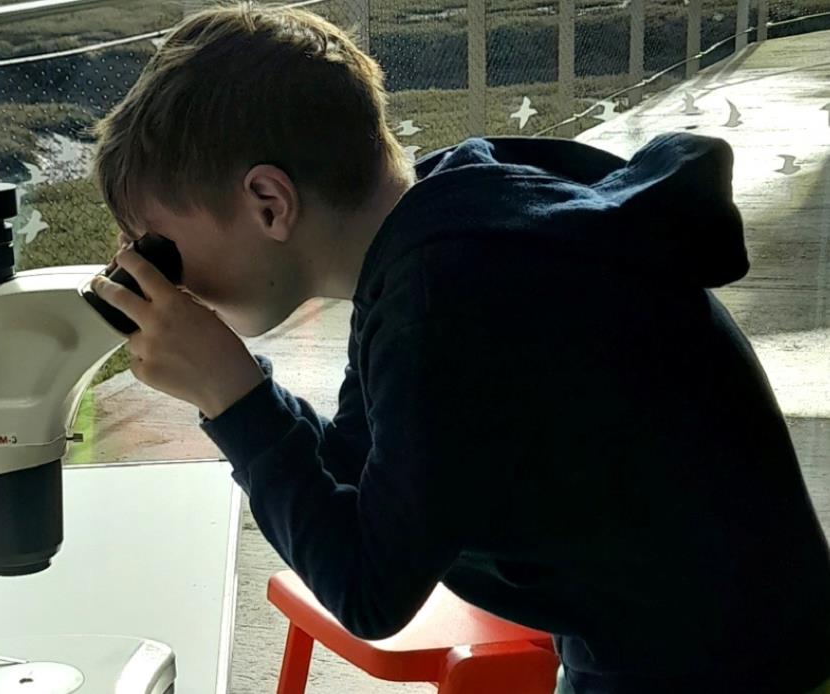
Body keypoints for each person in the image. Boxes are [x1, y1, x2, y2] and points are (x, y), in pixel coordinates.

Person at [86, 5, 830, 693]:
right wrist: (239, 385)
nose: (166, 275)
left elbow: (369, 591)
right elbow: (357, 471)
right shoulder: (446, 230)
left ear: (269, 203)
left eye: (163, 248)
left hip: (716, 671)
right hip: (712, 632)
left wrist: (232, 399)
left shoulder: (449, 297)